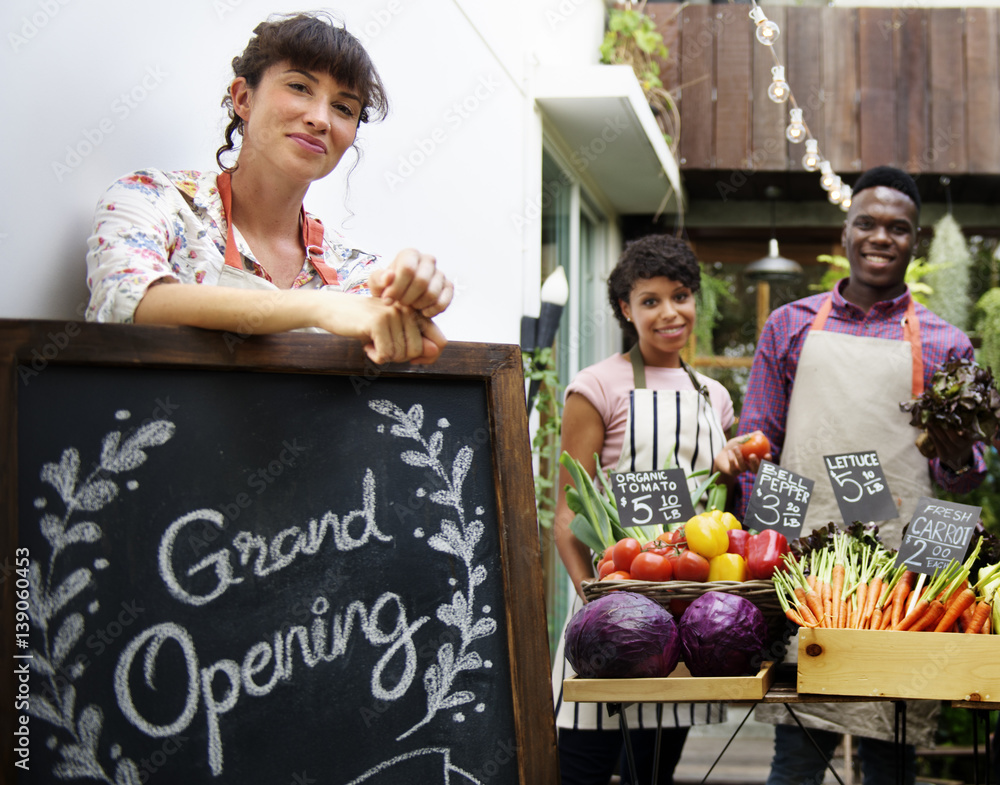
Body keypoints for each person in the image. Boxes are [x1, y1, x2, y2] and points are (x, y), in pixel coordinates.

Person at [736, 165, 987, 785]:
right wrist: (766, 557)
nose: (881, 236)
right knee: (798, 751)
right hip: (814, 564)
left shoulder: (946, 342)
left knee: (892, 745)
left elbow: (962, 482)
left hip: (906, 559)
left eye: (897, 228)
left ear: (915, 240)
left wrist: (957, 457)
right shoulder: (790, 326)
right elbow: (757, 448)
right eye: (867, 223)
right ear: (844, 232)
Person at [85, 12, 452, 365]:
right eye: (299, 87)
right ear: (244, 98)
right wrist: (320, 308)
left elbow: (404, 343)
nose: (320, 119)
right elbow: (128, 301)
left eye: (343, 108)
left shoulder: (353, 271)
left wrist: (409, 298)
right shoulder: (154, 199)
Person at [551, 234, 756, 785]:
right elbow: (567, 511)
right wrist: (592, 599)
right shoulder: (596, 386)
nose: (670, 313)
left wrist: (727, 467)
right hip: (615, 608)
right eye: (650, 300)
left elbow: (712, 509)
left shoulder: (713, 395)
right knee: (583, 765)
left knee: (653, 769)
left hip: (687, 615)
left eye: (681, 296)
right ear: (626, 309)